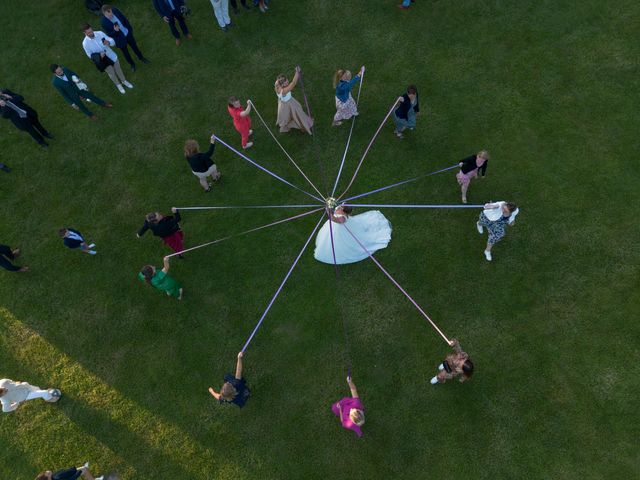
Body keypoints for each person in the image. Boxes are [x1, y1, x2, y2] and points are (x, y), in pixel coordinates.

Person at [314, 205, 392, 264]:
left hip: (340, 231)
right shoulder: (341, 208)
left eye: (342, 207)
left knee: (338, 241)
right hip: (335, 227)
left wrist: (328, 211)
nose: (341, 206)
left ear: (344, 211)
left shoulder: (342, 218)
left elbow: (333, 219)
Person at [82, 24, 133, 94]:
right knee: (111, 73)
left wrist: (108, 42)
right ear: (84, 33)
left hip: (111, 55)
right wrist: (99, 55)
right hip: (103, 61)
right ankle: (118, 85)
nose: (91, 33)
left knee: (118, 69)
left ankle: (124, 81)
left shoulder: (99, 33)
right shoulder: (85, 43)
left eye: (91, 31)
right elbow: (89, 55)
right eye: (88, 33)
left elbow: (111, 40)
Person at [101, 5, 150, 72]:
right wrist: (115, 31)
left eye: (111, 12)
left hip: (127, 33)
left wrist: (129, 29)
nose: (111, 14)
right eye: (109, 13)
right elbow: (109, 34)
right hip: (120, 39)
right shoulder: (104, 22)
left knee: (135, 47)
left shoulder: (115, 10)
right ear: (104, 14)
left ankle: (141, 58)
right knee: (126, 53)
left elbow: (124, 18)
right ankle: (132, 64)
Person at [274, 66, 313, 134]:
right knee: (298, 114)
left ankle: (286, 124)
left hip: (283, 104)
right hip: (289, 104)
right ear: (281, 84)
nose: (287, 82)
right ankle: (303, 126)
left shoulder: (277, 84)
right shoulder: (284, 91)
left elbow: (282, 81)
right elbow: (293, 83)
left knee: (286, 116)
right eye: (285, 83)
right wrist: (297, 72)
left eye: (287, 80)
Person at [35, 462, 104, 480]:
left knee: (84, 469)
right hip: (72, 477)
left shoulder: (52, 477)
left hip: (70, 474)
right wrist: (78, 473)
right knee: (84, 470)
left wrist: (74, 470)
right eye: (46, 473)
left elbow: (65, 473)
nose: (46, 471)